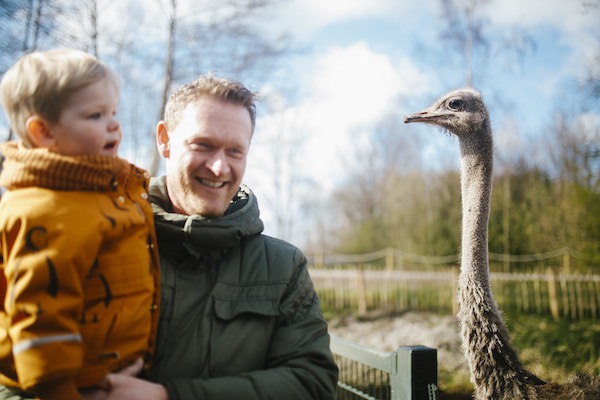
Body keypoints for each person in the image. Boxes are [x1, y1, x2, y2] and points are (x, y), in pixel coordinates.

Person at [86, 74, 339, 399]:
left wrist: (167, 396)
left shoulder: (283, 268)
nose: (219, 167)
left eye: (235, 151)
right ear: (164, 139)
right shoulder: (97, 243)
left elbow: (312, 384)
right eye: (203, 145)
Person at [0, 49, 160, 400]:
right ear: (44, 131)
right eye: (95, 115)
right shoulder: (44, 209)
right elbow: (41, 321)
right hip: (73, 386)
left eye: (114, 112)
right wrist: (63, 391)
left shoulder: (104, 192)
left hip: (114, 372)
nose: (114, 124)